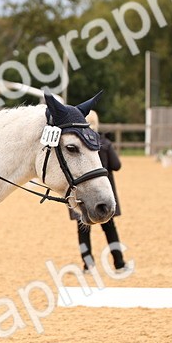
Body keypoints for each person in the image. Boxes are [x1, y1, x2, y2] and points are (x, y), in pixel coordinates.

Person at [69, 111, 125, 271]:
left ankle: (88, 265)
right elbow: (117, 165)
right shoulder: (104, 142)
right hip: (102, 194)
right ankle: (119, 262)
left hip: (82, 193)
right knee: (110, 228)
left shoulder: (77, 143)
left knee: (83, 230)